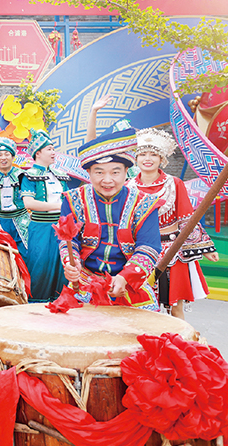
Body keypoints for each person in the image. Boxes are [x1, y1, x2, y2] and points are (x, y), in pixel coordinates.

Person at [59, 127, 162, 309]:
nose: (107, 180)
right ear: (89, 172)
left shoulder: (145, 204)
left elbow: (148, 247)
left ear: (126, 172)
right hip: (85, 283)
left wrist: (125, 277)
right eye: (99, 172)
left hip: (130, 284)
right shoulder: (73, 199)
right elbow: (68, 240)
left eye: (115, 172)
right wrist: (70, 263)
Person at [128, 128, 218, 317]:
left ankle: (180, 336)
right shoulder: (128, 186)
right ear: (136, 158)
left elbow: (187, 219)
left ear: (162, 159)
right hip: (139, 251)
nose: (147, 158)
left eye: (153, 154)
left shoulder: (174, 183)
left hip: (171, 250)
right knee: (139, 304)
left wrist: (205, 248)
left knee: (175, 305)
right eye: (142, 154)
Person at [20, 129, 71, 302]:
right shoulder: (28, 176)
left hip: (61, 227)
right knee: (40, 264)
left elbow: (69, 199)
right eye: (49, 149)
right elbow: (29, 203)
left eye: (53, 149)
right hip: (41, 228)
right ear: (38, 153)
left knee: (62, 264)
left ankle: (60, 301)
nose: (53, 152)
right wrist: (59, 206)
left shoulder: (60, 175)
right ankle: (36, 303)